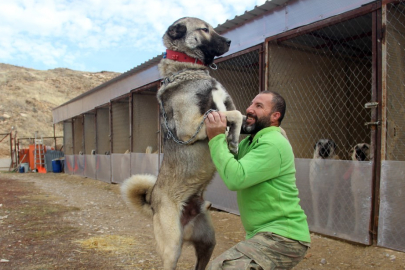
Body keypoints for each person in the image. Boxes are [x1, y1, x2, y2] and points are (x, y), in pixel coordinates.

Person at [204, 90, 310, 270]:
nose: (249, 109)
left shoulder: (272, 143)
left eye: (259, 106)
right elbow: (227, 164)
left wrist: (216, 138)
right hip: (263, 235)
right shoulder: (250, 143)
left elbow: (235, 178)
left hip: (283, 237)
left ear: (275, 116)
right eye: (251, 104)